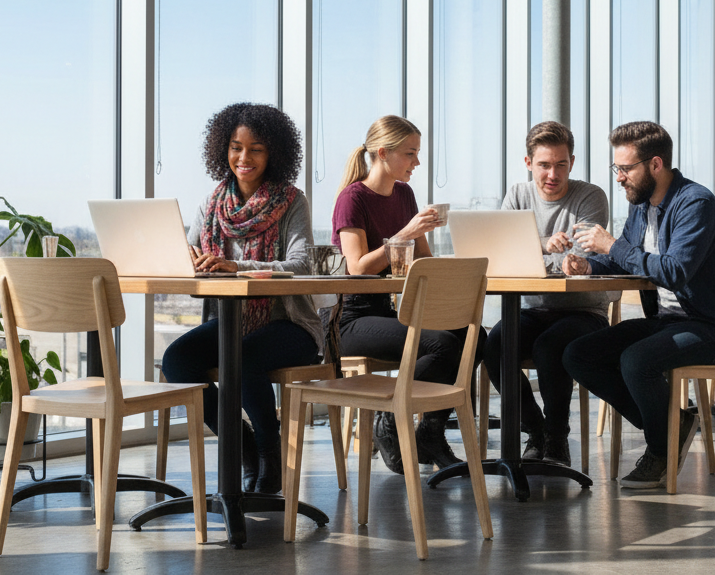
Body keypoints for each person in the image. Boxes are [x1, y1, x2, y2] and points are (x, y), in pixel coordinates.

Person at [562, 121, 715, 489]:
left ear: (655, 165)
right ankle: (673, 426)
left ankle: (660, 448)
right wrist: (590, 263)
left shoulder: (696, 204)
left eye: (626, 168)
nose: (619, 178)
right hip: (668, 322)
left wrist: (612, 245)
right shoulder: (642, 206)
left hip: (714, 328)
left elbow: (675, 271)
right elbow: (622, 259)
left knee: (636, 360)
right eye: (616, 168)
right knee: (578, 354)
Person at [161, 102, 321, 495]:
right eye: (235, 147)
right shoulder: (213, 203)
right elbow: (189, 251)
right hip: (232, 321)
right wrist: (191, 257)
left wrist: (238, 267)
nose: (243, 157)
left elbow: (301, 265)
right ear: (223, 150)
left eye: (256, 149)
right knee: (177, 360)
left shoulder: (291, 201)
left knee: (243, 355)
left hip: (291, 326)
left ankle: (270, 456)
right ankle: (244, 445)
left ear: (275, 153)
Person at [332, 114, 484, 474]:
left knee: (476, 338)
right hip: (355, 319)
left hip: (396, 310)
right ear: (383, 153)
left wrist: (458, 263)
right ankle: (391, 415)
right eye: (410, 153)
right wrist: (405, 234)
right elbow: (357, 267)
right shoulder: (352, 198)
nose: (417, 162)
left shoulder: (404, 194)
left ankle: (429, 431)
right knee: (443, 346)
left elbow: (424, 260)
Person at [482, 120, 613, 468]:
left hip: (584, 313)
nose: (552, 173)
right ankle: (534, 431)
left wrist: (534, 254)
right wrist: (543, 246)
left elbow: (581, 261)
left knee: (549, 346)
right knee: (494, 345)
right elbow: (503, 255)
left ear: (572, 162)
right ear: (529, 164)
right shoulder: (517, 196)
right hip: (533, 310)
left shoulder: (591, 196)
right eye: (544, 165)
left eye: (561, 164)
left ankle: (556, 437)